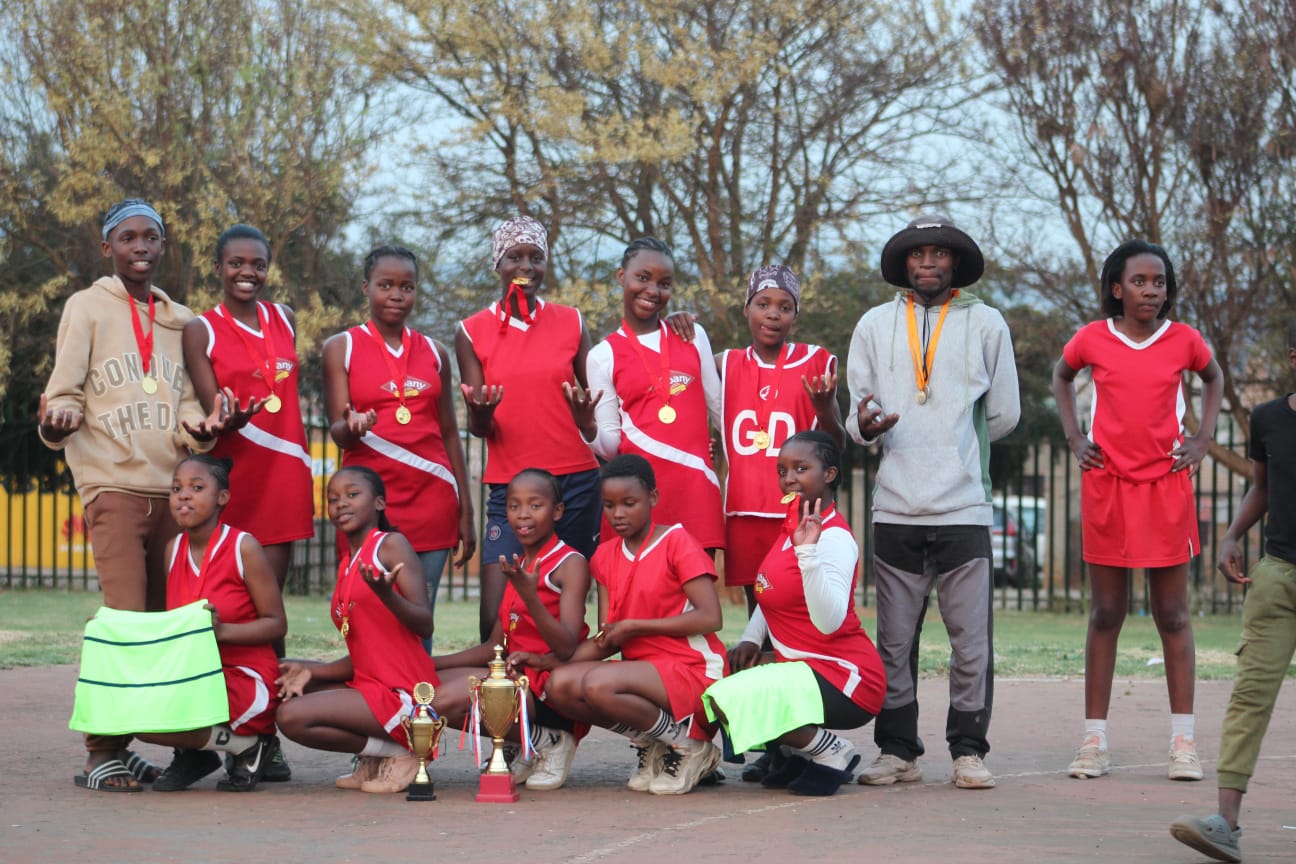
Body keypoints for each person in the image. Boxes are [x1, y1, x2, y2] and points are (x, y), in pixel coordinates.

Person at [39, 198, 229, 792]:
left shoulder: (181, 320)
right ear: (108, 247)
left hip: (172, 494)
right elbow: (63, 391)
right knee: (123, 622)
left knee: (169, 623)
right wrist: (57, 419)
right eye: (128, 238)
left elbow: (189, 402)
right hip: (113, 487)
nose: (140, 247)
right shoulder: (87, 306)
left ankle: (148, 745)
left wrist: (201, 428)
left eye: (151, 237)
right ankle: (101, 752)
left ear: (163, 246)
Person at [847, 214, 1019, 790]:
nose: (928, 262)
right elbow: (856, 416)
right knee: (894, 642)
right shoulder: (873, 324)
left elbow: (1005, 413)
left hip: (963, 506)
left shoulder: (987, 322)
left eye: (939, 253)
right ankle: (898, 751)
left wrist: (956, 448)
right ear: (903, 264)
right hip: (895, 505)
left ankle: (968, 750)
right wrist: (867, 427)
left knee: (970, 641)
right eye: (917, 254)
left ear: (955, 263)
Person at [1053, 239, 1222, 782]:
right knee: (1106, 613)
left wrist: (1202, 440)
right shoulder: (1092, 338)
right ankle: (1094, 741)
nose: (1151, 290)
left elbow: (1214, 377)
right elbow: (1061, 376)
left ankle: (1183, 743)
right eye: (1140, 281)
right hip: (1108, 486)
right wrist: (1076, 437)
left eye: (1159, 282)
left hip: (1166, 487)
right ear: (1116, 288)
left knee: (1173, 615)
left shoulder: (1184, 339)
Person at [522, 454, 726, 796]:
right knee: (558, 685)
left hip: (693, 669)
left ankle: (689, 745)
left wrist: (636, 627)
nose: (618, 514)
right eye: (609, 505)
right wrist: (548, 662)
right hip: (641, 674)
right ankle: (656, 742)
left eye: (629, 503)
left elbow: (711, 617)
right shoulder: (604, 555)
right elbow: (608, 638)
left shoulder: (677, 542)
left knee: (597, 684)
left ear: (653, 498)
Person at [1169, 321, 1296, 862]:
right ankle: (1225, 823)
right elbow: (1262, 487)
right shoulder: (1268, 418)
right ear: (1293, 357)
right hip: (1278, 577)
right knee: (1249, 696)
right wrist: (1231, 534)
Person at [717, 264, 844, 782]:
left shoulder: (817, 361)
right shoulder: (725, 364)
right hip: (746, 513)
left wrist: (825, 406)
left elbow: (837, 440)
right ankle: (777, 743)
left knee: (802, 629)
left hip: (796, 516)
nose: (773, 314)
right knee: (761, 629)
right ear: (746, 308)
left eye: (784, 306)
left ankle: (805, 741)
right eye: (763, 304)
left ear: (795, 314)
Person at [703, 431, 884, 796]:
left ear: (829, 474)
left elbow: (829, 622)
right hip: (802, 667)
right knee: (726, 670)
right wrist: (751, 639)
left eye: (801, 468)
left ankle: (831, 751)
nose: (789, 478)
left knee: (727, 697)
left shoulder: (834, 538)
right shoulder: (792, 523)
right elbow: (771, 592)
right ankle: (792, 753)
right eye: (782, 470)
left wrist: (807, 556)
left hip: (846, 676)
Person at [457, 217, 601, 642]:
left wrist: (587, 417)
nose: (526, 266)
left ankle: (558, 683)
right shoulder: (470, 331)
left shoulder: (572, 321)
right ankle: (500, 683)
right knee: (494, 616)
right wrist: (482, 414)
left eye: (536, 257)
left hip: (575, 482)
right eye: (514, 257)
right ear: (497, 264)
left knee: (567, 602)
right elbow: (479, 427)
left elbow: (598, 399)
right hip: (512, 484)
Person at [324, 245, 474, 650]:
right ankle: (374, 688)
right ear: (366, 288)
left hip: (433, 500)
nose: (396, 295)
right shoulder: (342, 347)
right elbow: (336, 430)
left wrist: (466, 511)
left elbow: (449, 433)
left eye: (407, 287)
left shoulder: (435, 352)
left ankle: (419, 689)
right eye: (385, 285)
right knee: (368, 613)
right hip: (369, 506)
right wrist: (351, 427)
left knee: (420, 619)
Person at [183, 225, 312, 677]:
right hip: (234, 476)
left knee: (268, 604)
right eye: (236, 263)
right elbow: (212, 409)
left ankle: (267, 710)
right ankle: (213, 701)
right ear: (218, 267)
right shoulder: (201, 329)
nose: (247, 272)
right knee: (222, 603)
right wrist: (227, 421)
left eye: (258, 264)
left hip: (283, 473)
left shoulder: (285, 318)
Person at [275, 466, 437, 794]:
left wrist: (387, 595)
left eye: (352, 494)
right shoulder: (349, 562)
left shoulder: (391, 545)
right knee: (284, 685)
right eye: (333, 498)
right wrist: (311, 670)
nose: (341, 504)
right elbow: (366, 654)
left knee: (291, 715)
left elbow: (424, 623)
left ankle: (408, 749)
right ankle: (378, 755)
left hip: (403, 691)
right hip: (370, 683)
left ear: (379, 503)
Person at [132, 455, 286, 793]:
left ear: (222, 497)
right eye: (176, 489)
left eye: (197, 487)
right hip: (197, 674)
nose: (184, 495)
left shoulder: (244, 547)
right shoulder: (172, 549)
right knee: (135, 714)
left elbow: (277, 624)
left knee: (154, 713)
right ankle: (195, 755)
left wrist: (221, 631)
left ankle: (249, 745)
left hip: (244, 677)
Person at [434, 468, 591, 791]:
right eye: (514, 505)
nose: (523, 514)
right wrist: (432, 662)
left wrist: (530, 594)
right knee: (429, 687)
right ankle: (524, 741)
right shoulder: (519, 563)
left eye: (535, 505)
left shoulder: (570, 563)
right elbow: (494, 646)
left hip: (548, 687)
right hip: (515, 678)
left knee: (445, 701)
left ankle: (549, 739)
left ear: (557, 511)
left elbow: (566, 647)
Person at [574, 237, 724, 553]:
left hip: (695, 490)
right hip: (637, 499)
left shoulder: (692, 336)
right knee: (636, 584)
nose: (653, 291)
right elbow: (612, 447)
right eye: (643, 278)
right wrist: (588, 427)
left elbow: (720, 410)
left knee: (698, 583)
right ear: (621, 277)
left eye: (664, 283)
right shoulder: (602, 356)